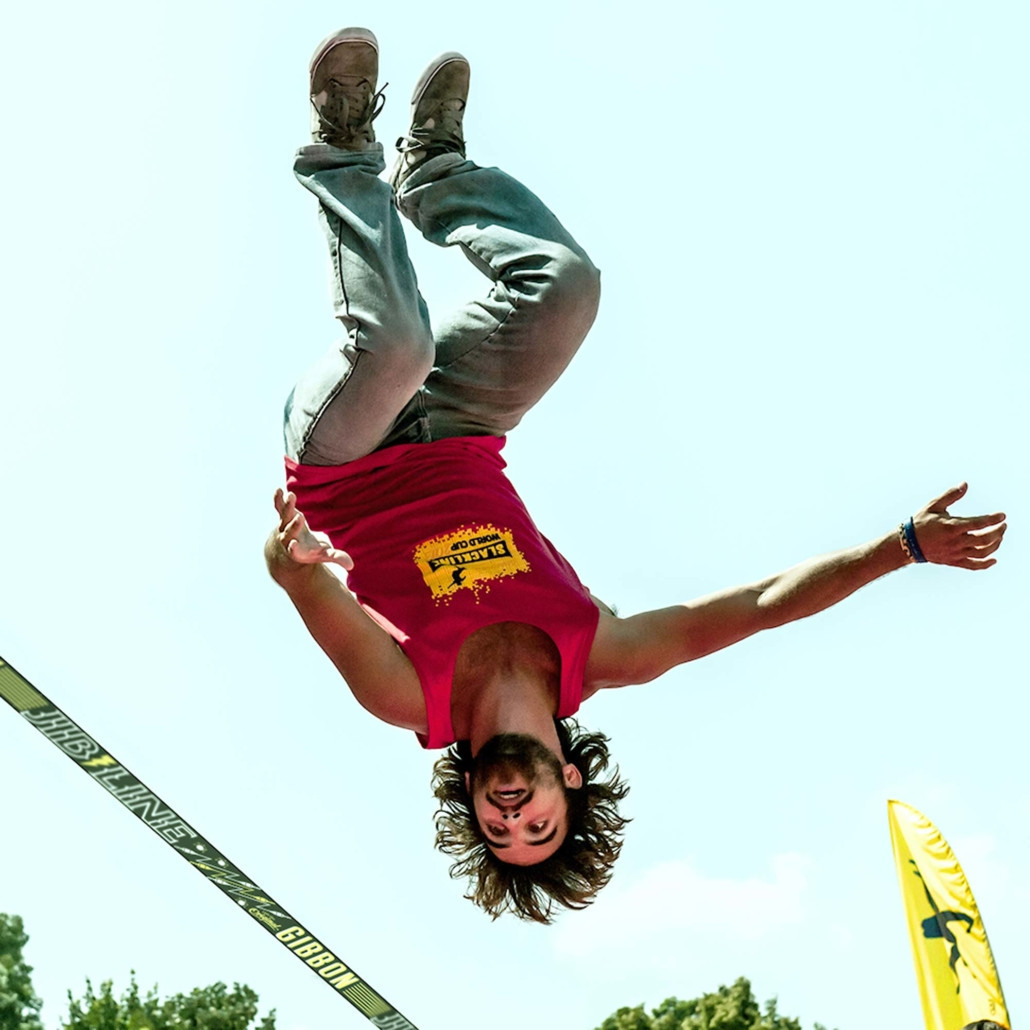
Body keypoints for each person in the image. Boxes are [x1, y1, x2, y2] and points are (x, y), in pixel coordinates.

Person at [265, 27, 1008, 924]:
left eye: (500, 832)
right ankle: (435, 176)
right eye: (539, 827)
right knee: (566, 289)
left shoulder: (406, 698)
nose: (514, 817)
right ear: (569, 781)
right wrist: (902, 548)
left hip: (345, 460)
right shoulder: (607, 652)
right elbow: (760, 606)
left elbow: (292, 573)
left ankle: (342, 147)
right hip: (463, 428)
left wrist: (295, 559)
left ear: (474, 805)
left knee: (396, 347)